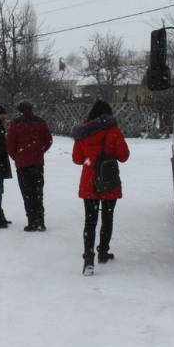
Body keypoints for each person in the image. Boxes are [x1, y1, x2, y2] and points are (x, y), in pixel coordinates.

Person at [70, 99, 130, 276]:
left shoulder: (83, 131)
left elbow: (77, 159)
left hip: (90, 180)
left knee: (90, 221)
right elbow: (124, 156)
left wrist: (90, 159)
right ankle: (103, 251)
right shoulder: (113, 130)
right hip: (109, 179)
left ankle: (88, 259)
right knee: (107, 217)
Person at [5, 101, 53, 232]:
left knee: (27, 193)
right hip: (37, 163)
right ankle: (40, 221)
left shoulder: (16, 124)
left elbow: (9, 143)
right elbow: (48, 140)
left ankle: (32, 221)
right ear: (32, 109)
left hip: (23, 164)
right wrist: (40, 150)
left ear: (20, 110)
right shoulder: (40, 122)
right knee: (38, 192)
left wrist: (16, 156)